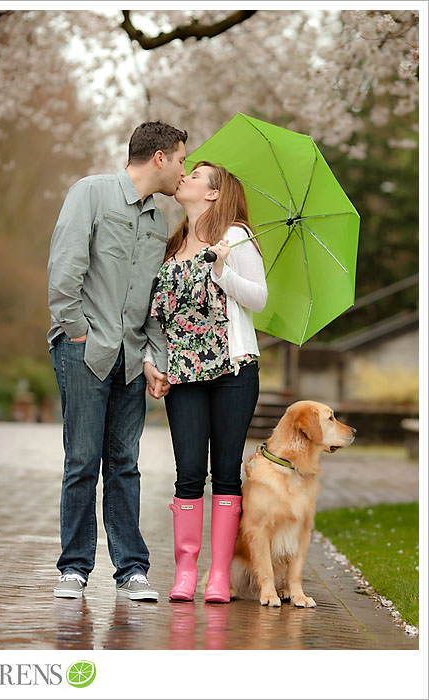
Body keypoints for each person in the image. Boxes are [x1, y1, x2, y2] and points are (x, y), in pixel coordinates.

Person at [47, 121, 187, 601]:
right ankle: (74, 568)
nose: (184, 170)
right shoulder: (91, 193)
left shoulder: (157, 221)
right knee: (83, 461)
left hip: (131, 361)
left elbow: (150, 299)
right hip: (84, 350)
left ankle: (131, 570)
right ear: (160, 158)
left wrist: (153, 357)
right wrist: (79, 331)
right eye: (182, 159)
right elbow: (64, 268)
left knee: (125, 464)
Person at [149, 160, 268, 603]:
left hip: (233, 371)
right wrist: (150, 361)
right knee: (188, 474)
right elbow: (159, 317)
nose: (186, 178)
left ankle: (217, 576)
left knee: (226, 474)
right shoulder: (174, 244)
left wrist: (222, 269)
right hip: (184, 374)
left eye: (196, 175)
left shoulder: (235, 237)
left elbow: (259, 297)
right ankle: (184, 573)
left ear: (214, 193)